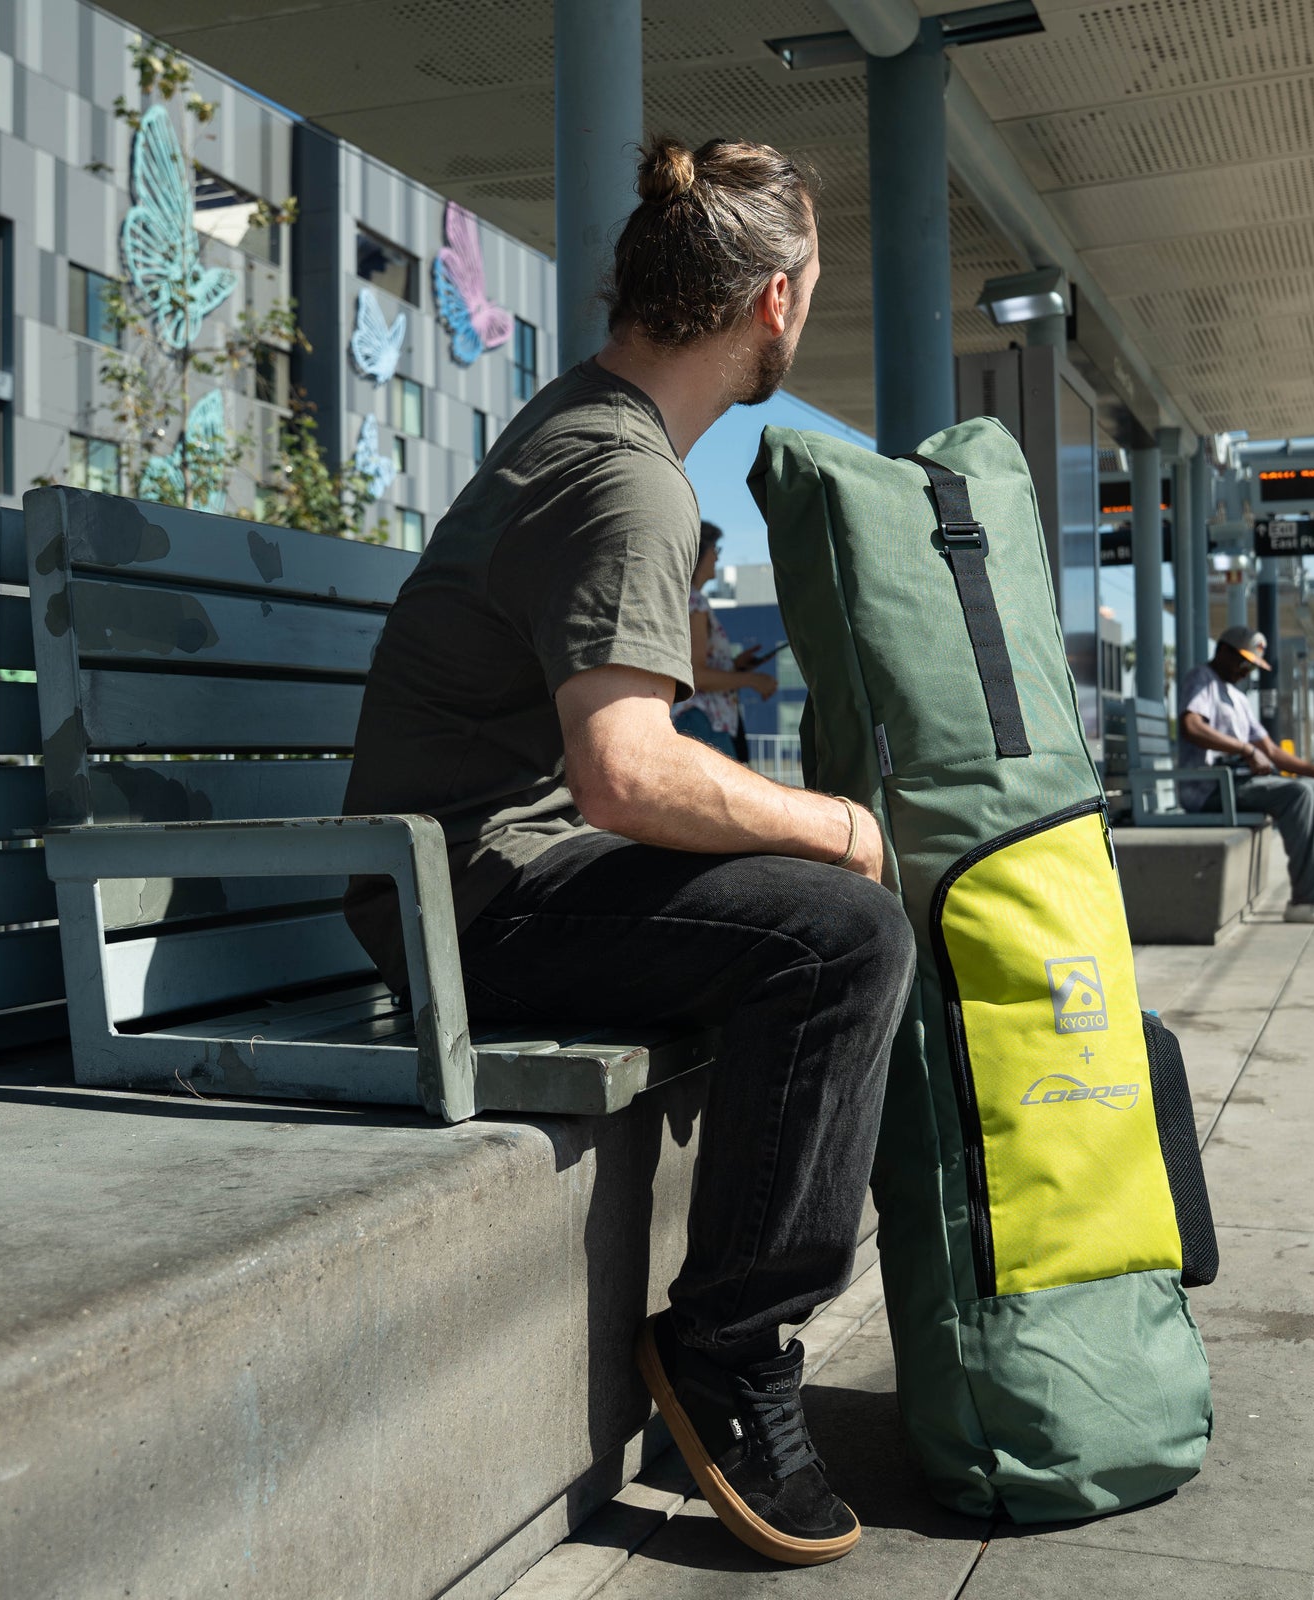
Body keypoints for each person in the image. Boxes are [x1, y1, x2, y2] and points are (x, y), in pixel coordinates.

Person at [340, 136, 914, 1566]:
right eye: (813, 287)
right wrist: (843, 825)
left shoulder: (592, 427)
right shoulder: (624, 473)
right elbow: (623, 775)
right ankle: (729, 1344)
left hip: (461, 881)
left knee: (815, 912)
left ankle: (748, 1309)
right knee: (842, 934)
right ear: (773, 300)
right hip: (473, 906)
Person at [1177, 627, 1314, 927]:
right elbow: (1191, 726)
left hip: (1236, 783)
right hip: (1209, 789)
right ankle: (1306, 902)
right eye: (1244, 662)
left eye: (1252, 666)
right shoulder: (1201, 679)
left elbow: (1271, 750)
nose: (1247, 671)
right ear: (1223, 651)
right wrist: (1245, 749)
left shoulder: (1238, 698)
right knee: (1299, 795)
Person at [671, 520, 777, 759]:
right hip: (704, 721)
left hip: (701, 720)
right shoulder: (694, 602)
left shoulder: (685, 599)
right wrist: (753, 680)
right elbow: (696, 676)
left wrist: (735, 666)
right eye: (715, 550)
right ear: (699, 552)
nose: (717, 558)